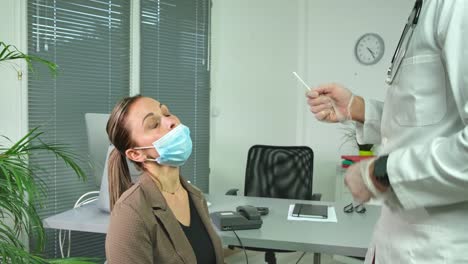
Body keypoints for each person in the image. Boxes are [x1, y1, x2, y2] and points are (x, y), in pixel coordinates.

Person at [306, 0, 467, 263]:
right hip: (398, 240)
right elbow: (424, 119)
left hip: (440, 250)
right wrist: (356, 108)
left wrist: (378, 174)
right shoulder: (425, 9)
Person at [105, 95, 224, 264]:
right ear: (136, 154)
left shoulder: (195, 196)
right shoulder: (130, 212)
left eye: (166, 113)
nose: (171, 122)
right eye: (154, 124)